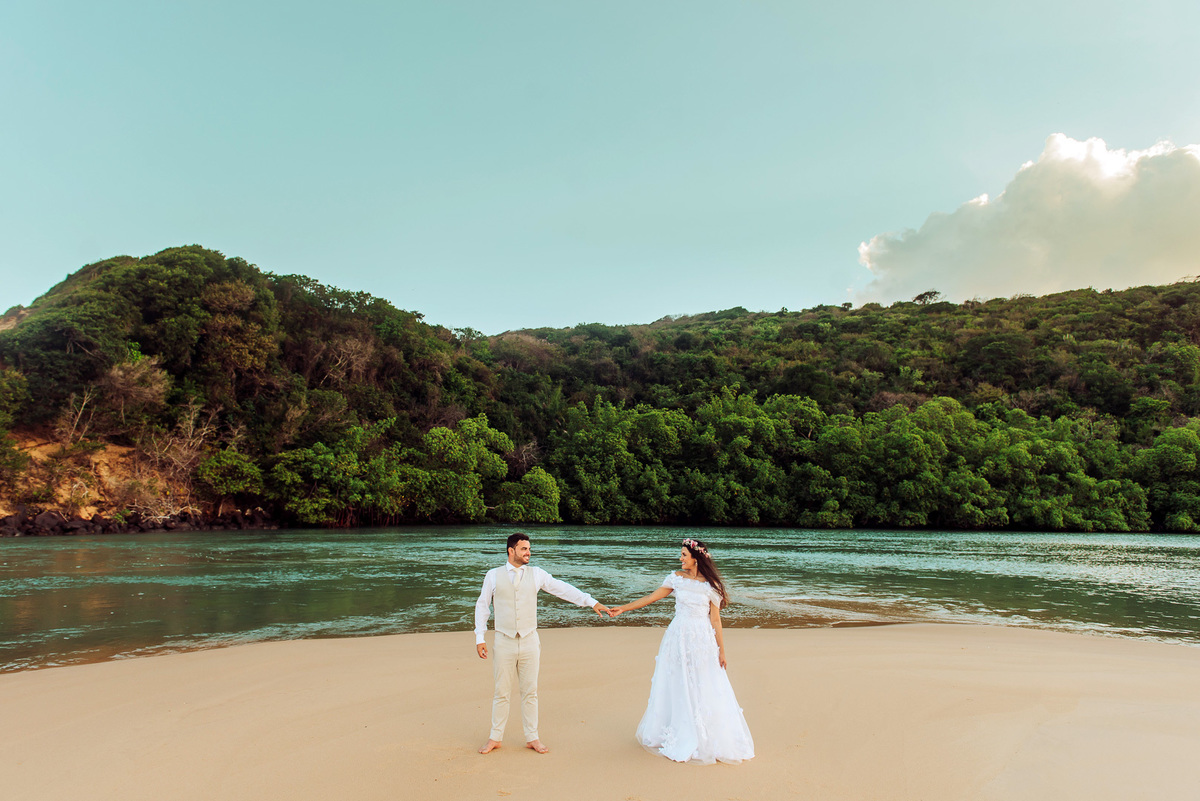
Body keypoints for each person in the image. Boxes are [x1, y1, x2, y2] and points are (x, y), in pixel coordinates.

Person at [609, 538, 755, 764]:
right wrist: (623, 608)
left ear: (695, 559)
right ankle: (675, 728)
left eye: (684, 555)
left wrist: (721, 651)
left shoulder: (711, 587)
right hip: (677, 637)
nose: (680, 558)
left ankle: (702, 734)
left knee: (701, 681)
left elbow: (715, 620)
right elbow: (651, 597)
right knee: (677, 681)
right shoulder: (676, 579)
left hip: (701, 639)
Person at [474, 532, 609, 755]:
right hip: (503, 640)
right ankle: (495, 737)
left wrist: (591, 601)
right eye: (524, 549)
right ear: (511, 551)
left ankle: (532, 737)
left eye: (529, 548)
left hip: (529, 640)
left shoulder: (536, 574)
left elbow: (562, 589)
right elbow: (482, 606)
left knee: (530, 691)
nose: (528, 552)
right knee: (501, 692)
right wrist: (480, 637)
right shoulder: (492, 575)